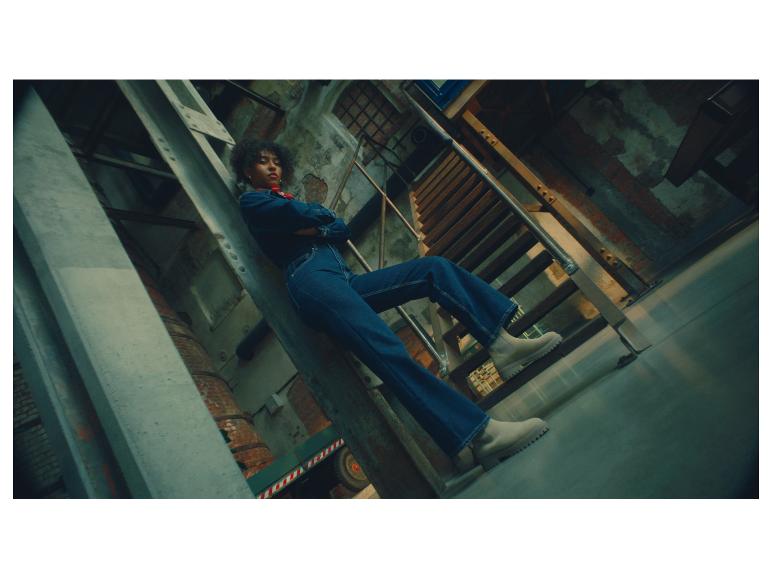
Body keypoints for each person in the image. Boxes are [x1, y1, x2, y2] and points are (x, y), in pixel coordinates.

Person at [233, 137, 562, 470]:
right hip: (312, 281)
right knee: (387, 348)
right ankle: (480, 436)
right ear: (248, 170)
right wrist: (319, 220)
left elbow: (340, 228)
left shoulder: (281, 202)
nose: (272, 167)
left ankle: (501, 344)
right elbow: (311, 214)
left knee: (433, 269)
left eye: (276, 161)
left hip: (343, 279)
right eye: (263, 161)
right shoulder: (253, 202)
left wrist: (315, 228)